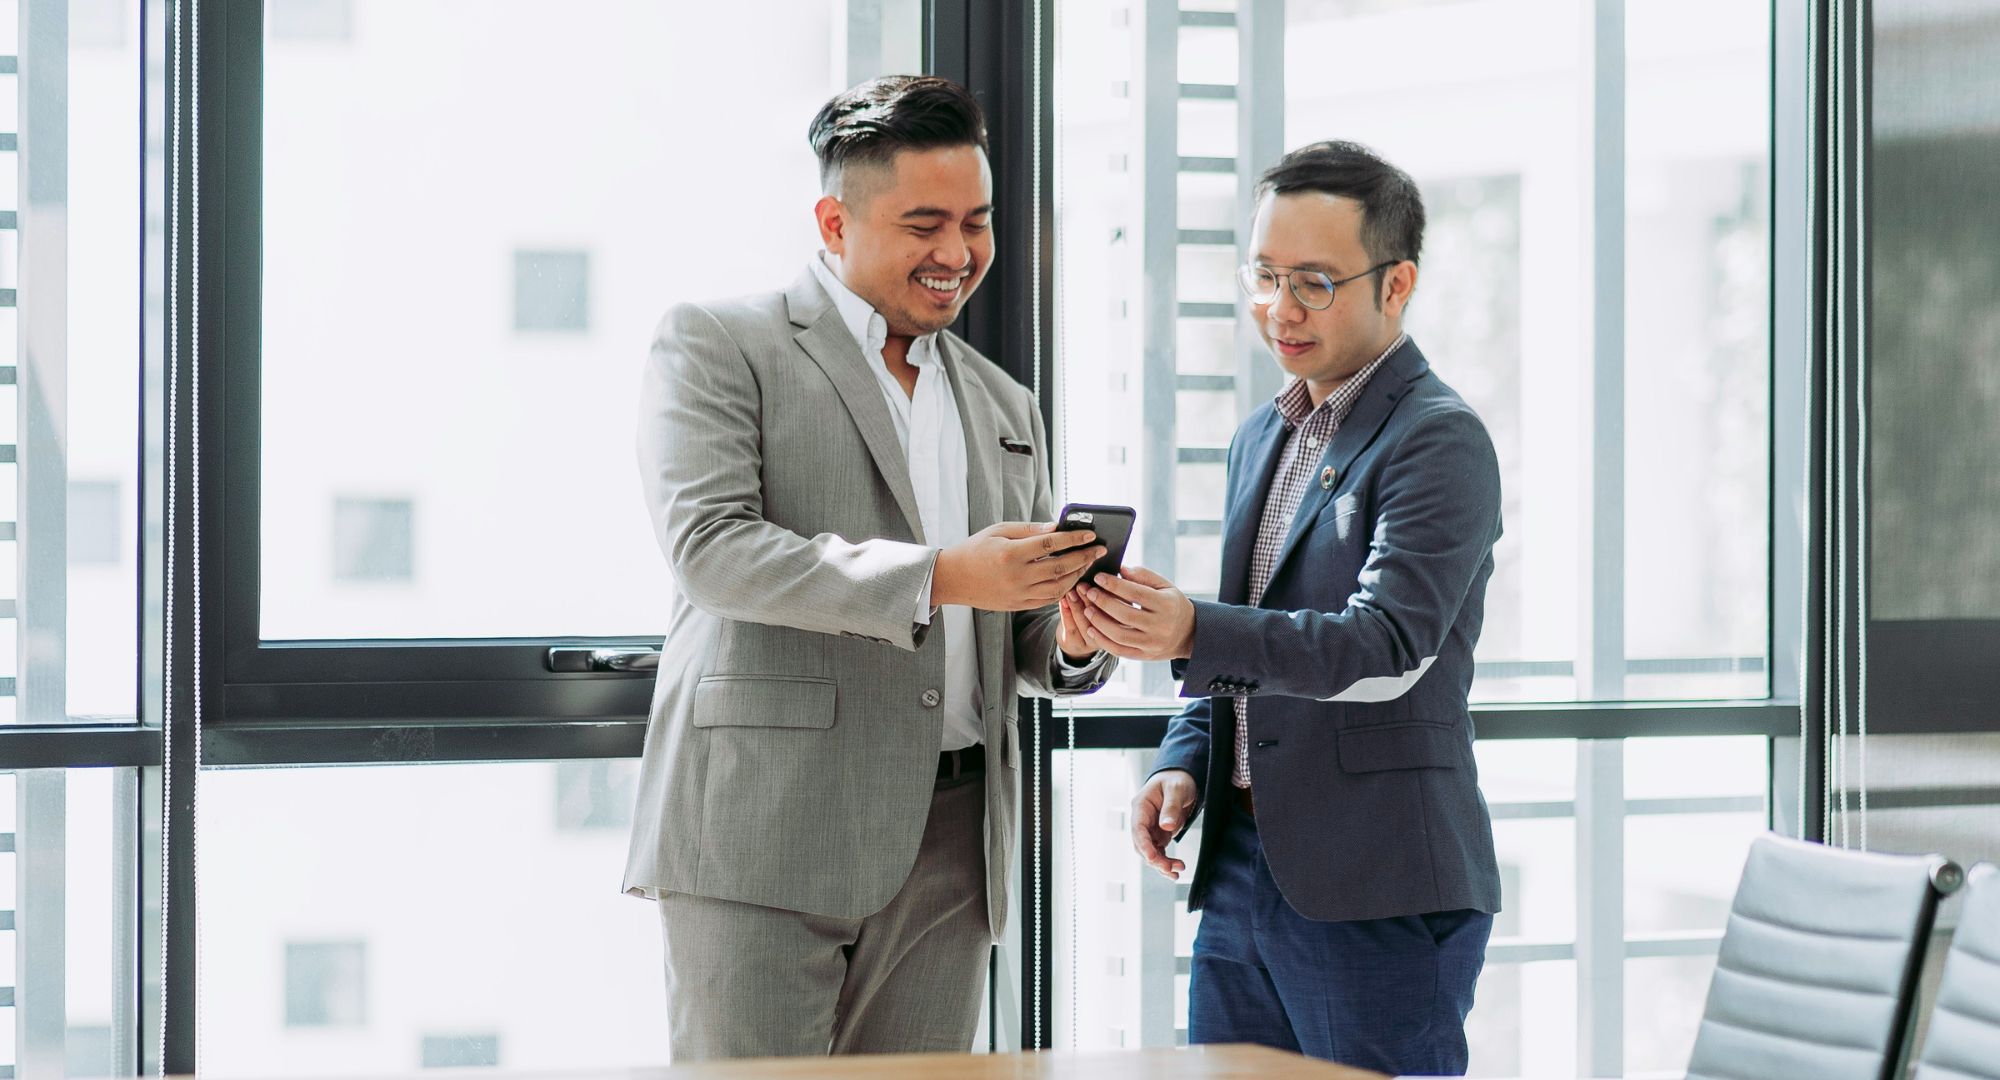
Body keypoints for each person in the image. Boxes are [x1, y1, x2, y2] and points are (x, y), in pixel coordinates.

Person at [623, 75, 1114, 1061]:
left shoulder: (1004, 404)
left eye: (975, 222)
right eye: (923, 222)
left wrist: (1066, 637)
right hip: (766, 827)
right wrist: (938, 575)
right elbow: (712, 552)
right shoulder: (721, 345)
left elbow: (1005, 632)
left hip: (955, 847)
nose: (957, 253)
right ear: (833, 221)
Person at [1067, 140, 1502, 1076]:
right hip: (1239, 869)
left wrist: (1189, 627)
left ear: (1398, 285)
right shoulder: (1263, 435)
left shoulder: (1439, 440)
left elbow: (1385, 646)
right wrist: (1186, 761)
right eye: (1263, 275)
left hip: (1375, 883)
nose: (1279, 308)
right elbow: (1250, 635)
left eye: (1313, 280)